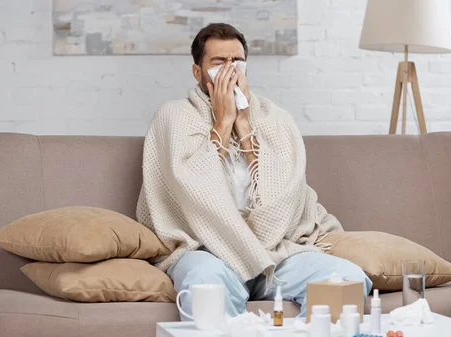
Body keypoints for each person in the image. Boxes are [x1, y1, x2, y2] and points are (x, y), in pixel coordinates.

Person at [136, 23, 372, 320]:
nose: (229, 69)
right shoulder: (174, 115)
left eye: (236, 61)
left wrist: (244, 124)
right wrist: (223, 122)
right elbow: (192, 186)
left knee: (346, 279)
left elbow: (286, 192)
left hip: (274, 252)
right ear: (198, 72)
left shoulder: (275, 117)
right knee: (204, 284)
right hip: (208, 251)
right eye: (219, 62)